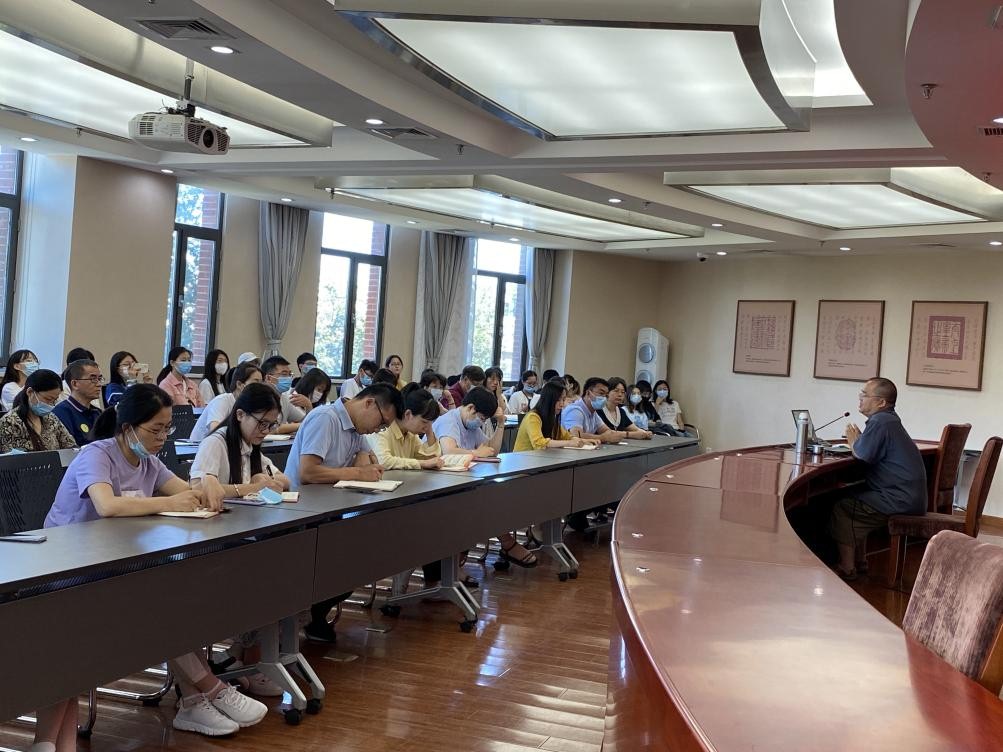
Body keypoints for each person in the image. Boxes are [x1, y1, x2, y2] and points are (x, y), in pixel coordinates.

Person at [41, 384, 266, 740]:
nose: (163, 437)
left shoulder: (147, 461)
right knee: (158, 606)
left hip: (117, 563)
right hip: (69, 570)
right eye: (155, 429)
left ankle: (198, 697)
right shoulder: (97, 455)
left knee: (172, 600)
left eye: (167, 429)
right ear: (128, 427)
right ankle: (209, 689)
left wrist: (210, 488)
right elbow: (107, 505)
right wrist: (166, 503)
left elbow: (186, 493)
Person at [189, 382, 291, 697]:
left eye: (271, 424)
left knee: (284, 568)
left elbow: (284, 480)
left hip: (245, 536)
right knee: (267, 578)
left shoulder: (252, 447)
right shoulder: (217, 443)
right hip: (213, 543)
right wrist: (253, 487)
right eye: (261, 423)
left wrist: (266, 480)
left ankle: (241, 655)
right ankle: (251, 658)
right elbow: (200, 489)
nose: (265, 431)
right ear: (240, 415)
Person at [284, 383, 402, 642]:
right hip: (300, 516)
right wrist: (357, 472)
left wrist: (363, 462)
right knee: (343, 568)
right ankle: (298, 622)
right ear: (369, 403)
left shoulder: (356, 427)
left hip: (329, 513)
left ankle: (310, 618)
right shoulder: (325, 418)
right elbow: (308, 472)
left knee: (353, 567)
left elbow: (371, 461)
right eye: (381, 423)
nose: (378, 430)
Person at [829, 378, 927, 581]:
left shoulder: (880, 421)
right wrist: (859, 441)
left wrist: (853, 441)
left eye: (865, 395)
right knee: (857, 495)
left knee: (843, 508)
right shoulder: (888, 420)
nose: (860, 398)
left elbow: (863, 455)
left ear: (881, 402)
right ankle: (861, 561)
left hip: (898, 499)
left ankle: (847, 567)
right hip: (910, 498)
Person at [433, 386, 537, 568]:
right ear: (471, 408)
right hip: (438, 484)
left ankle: (501, 546)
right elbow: (449, 451)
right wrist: (475, 452)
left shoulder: (470, 423)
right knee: (481, 505)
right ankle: (505, 544)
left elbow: (491, 450)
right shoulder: (449, 421)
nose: (481, 423)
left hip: (461, 482)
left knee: (490, 499)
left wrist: (501, 424)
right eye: (481, 418)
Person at [371, 383, 444, 471]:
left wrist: (429, 432)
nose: (427, 427)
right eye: (424, 422)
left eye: (431, 422)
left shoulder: (411, 434)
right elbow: (383, 461)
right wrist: (421, 463)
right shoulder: (383, 428)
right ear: (408, 414)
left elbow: (431, 460)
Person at [0, 369, 76, 453]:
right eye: (48, 399)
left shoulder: (51, 418)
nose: (51, 405)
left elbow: (70, 446)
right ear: (30, 392)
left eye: (54, 400)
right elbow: (12, 458)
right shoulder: (10, 422)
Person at [190, 362, 262, 442]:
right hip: (201, 447)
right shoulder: (222, 401)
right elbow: (215, 432)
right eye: (256, 382)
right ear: (239, 384)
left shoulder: (250, 405)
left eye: (261, 383)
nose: (260, 387)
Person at [513, 379, 590, 451]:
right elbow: (539, 443)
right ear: (549, 400)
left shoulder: (552, 417)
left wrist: (585, 441)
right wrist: (569, 443)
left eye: (563, 400)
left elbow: (566, 436)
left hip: (541, 458)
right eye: (558, 400)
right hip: (524, 459)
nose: (562, 404)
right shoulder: (533, 417)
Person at [560, 377, 627, 444]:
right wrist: (603, 438)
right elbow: (576, 435)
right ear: (588, 393)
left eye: (606, 395)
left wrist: (613, 435)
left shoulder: (593, 412)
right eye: (601, 393)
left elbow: (606, 431)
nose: (604, 398)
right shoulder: (575, 410)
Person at [52, 359, 104, 445]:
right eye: (93, 379)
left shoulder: (97, 413)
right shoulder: (60, 413)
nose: (99, 384)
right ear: (75, 384)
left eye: (100, 379)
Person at [260, 355, 311, 432]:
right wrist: (302, 425)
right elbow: (272, 428)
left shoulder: (285, 398)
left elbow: (305, 421)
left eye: (290, 374)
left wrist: (308, 406)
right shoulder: (259, 398)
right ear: (268, 378)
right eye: (284, 374)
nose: (289, 378)